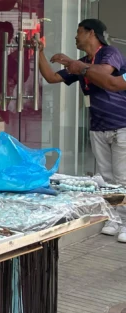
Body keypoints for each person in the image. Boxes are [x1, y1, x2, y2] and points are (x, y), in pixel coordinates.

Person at [38, 19, 126, 242]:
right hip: (98, 126)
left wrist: (72, 62)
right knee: (106, 178)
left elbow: (105, 75)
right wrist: (38, 53)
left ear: (91, 33)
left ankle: (125, 222)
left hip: (122, 125)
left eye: (79, 32)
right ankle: (113, 219)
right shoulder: (82, 63)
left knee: (122, 177)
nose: (75, 36)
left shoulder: (109, 53)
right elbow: (51, 77)